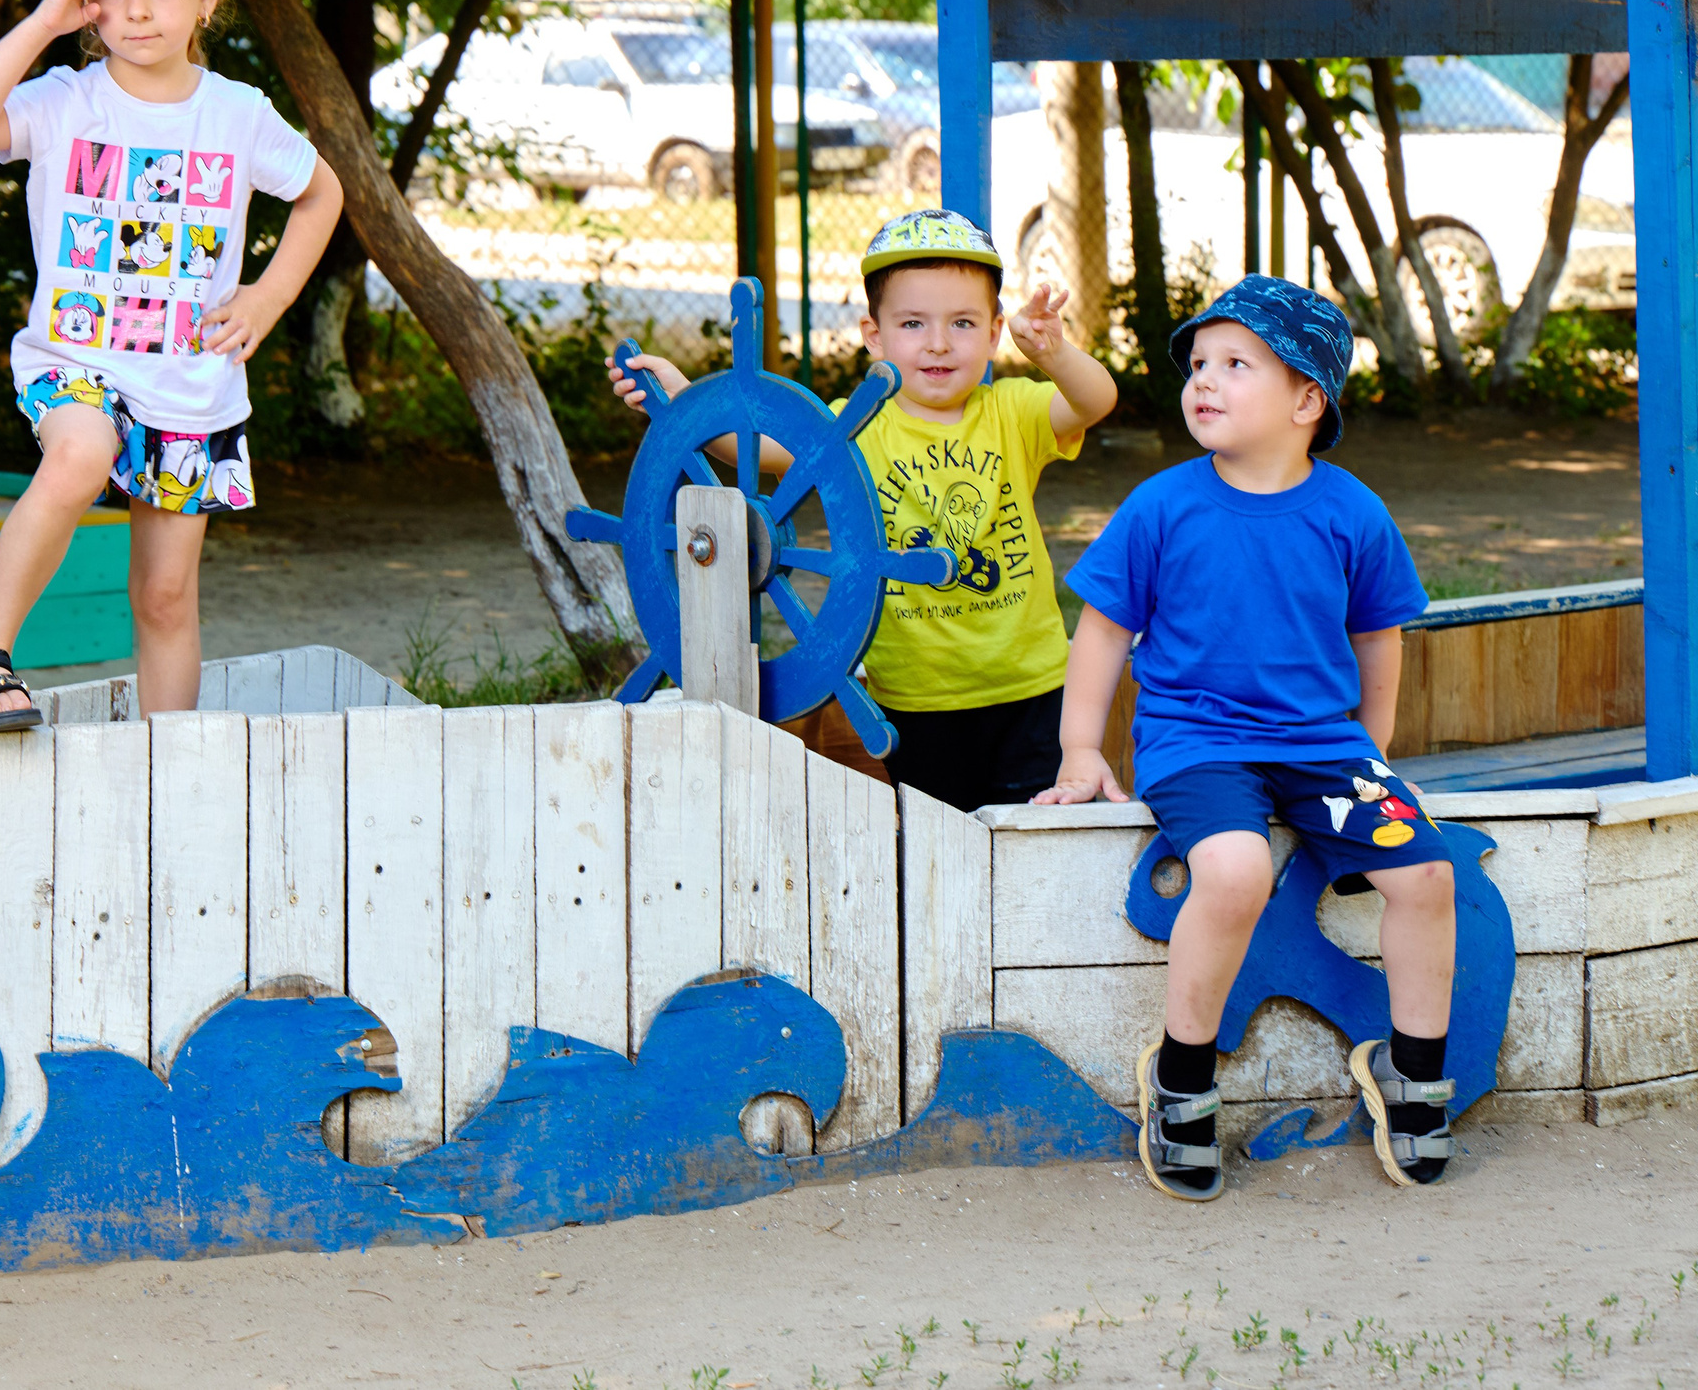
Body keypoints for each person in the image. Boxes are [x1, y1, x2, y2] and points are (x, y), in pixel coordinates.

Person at [1034, 274, 1454, 1199]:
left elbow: (1378, 635)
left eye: (1235, 363)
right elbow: (1102, 628)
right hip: (1198, 744)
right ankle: (1182, 1077)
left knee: (1426, 874)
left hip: (1324, 747)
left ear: (1308, 399)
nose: (1203, 381)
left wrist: (1371, 753)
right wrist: (1080, 746)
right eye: (1197, 364)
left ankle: (1413, 1070)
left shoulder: (1351, 512)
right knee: (1234, 872)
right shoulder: (1162, 505)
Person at [0, 0, 342, 732]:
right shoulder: (64, 101)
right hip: (77, 362)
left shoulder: (235, 113)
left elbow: (323, 192)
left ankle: (170, 770)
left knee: (164, 596)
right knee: (81, 451)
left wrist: (268, 297)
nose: (142, 8)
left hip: (190, 388)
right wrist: (42, 21)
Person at [609, 209, 1117, 810]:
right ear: (874, 335)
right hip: (914, 693)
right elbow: (767, 448)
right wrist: (684, 398)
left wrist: (1055, 355)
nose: (937, 342)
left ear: (994, 331)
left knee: (1034, 833)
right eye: (912, 323)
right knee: (941, 837)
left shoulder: (1013, 412)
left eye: (962, 322)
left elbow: (1095, 400)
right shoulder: (856, 421)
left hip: (1031, 686)